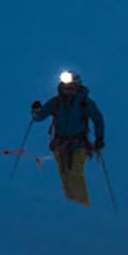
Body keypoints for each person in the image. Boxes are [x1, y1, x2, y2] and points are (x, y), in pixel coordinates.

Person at [31, 72, 106, 206]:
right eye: (65, 87)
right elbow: (39, 117)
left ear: (77, 86)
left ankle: (83, 207)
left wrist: (99, 139)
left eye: (71, 87)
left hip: (79, 144)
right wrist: (35, 112)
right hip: (60, 145)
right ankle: (71, 207)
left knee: (75, 175)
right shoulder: (56, 102)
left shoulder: (85, 103)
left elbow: (98, 119)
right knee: (65, 176)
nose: (68, 90)